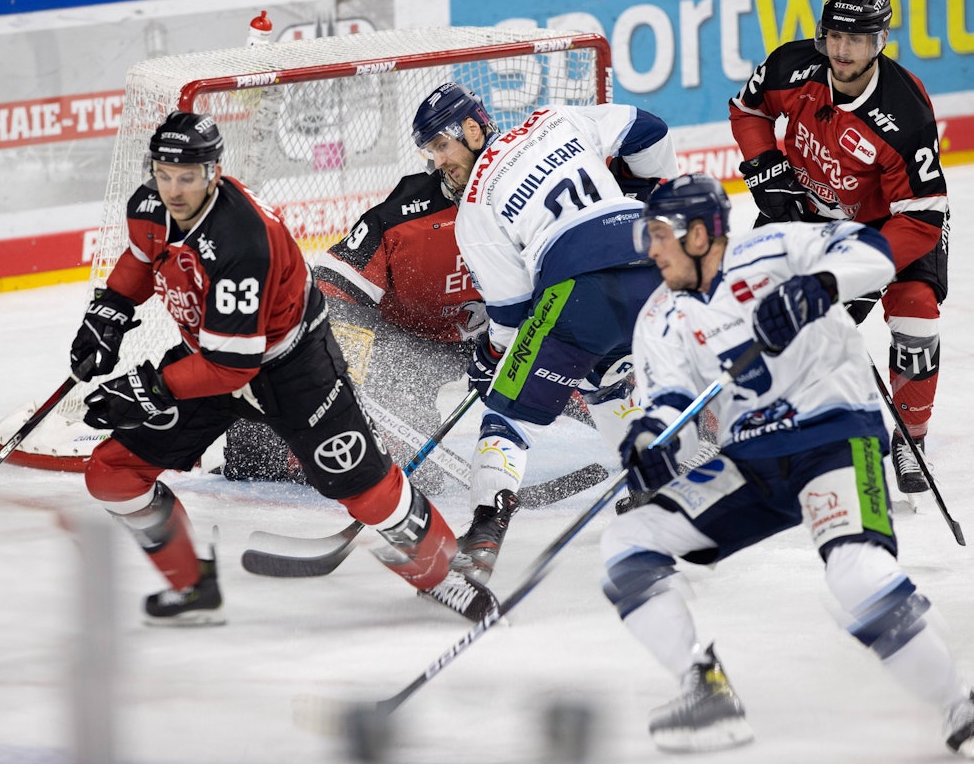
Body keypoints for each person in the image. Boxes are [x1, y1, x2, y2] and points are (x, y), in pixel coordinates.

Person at [68, 110, 497, 625]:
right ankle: (193, 588)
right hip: (213, 354)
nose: (173, 190)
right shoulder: (149, 204)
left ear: (214, 172)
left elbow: (232, 369)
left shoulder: (242, 239)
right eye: (164, 175)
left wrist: (149, 387)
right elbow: (143, 257)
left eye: (186, 178)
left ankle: (449, 577)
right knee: (113, 474)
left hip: (291, 365)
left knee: (366, 490)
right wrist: (111, 308)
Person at [601, 173, 974, 756]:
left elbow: (874, 252)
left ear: (699, 235)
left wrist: (820, 285)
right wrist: (650, 444)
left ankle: (961, 704)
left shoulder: (776, 248)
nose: (650, 250)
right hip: (749, 459)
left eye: (658, 235)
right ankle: (706, 688)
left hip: (833, 435)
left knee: (856, 573)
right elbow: (669, 405)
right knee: (627, 544)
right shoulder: (658, 318)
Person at [411, 82, 681, 583]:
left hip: (579, 291)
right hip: (653, 268)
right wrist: (645, 193)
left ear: (473, 128)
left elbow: (513, 320)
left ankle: (484, 533)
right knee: (606, 382)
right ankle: (656, 492)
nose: (437, 163)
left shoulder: (474, 206)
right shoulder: (556, 120)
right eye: (429, 153)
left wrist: (489, 364)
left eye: (441, 146)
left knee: (505, 413)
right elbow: (651, 130)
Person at [729, 0, 949, 499]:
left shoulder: (905, 114)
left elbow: (920, 220)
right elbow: (749, 111)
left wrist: (852, 271)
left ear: (881, 41)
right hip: (808, 213)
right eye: (833, 35)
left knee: (916, 314)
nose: (841, 50)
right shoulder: (792, 66)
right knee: (755, 317)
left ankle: (910, 437)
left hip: (892, 227)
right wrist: (764, 167)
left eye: (856, 39)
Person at [220, 165, 482, 491]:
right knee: (255, 442)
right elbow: (333, 292)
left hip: (483, 340)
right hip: (400, 345)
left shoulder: (525, 214)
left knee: (417, 470)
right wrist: (341, 369)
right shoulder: (404, 213)